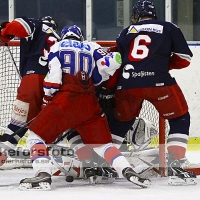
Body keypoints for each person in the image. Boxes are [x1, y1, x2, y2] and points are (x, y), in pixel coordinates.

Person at [18, 25, 151, 190]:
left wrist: (47, 100)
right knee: (104, 145)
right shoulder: (92, 46)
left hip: (65, 99)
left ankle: (42, 174)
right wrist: (95, 78)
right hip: (89, 101)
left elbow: (53, 80)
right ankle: (126, 169)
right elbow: (112, 61)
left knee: (35, 136)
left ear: (64, 36)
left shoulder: (57, 46)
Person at [106, 0, 197, 186]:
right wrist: (161, 65)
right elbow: (185, 58)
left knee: (122, 122)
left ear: (136, 15)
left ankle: (105, 164)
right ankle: (176, 165)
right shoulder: (168, 27)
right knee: (180, 118)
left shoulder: (126, 32)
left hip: (127, 84)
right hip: (158, 82)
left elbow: (116, 60)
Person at [0, 16, 60, 166]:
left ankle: (2, 156)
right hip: (56, 85)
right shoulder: (59, 38)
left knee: (17, 125)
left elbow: (19, 25)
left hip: (32, 81)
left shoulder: (38, 25)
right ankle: (81, 160)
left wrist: (4, 33)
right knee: (44, 129)